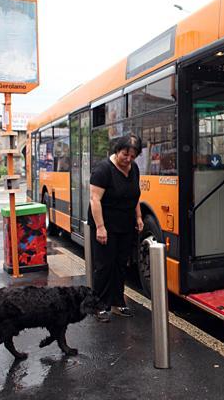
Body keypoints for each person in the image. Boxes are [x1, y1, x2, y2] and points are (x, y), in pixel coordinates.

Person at [88, 134, 144, 321]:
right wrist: (100, 227)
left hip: (125, 224)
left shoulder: (133, 168)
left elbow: (134, 195)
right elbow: (95, 200)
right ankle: (99, 305)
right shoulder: (103, 170)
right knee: (104, 266)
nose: (128, 159)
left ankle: (118, 302)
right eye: (124, 154)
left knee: (121, 265)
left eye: (132, 156)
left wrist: (138, 216)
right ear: (117, 151)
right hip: (105, 224)